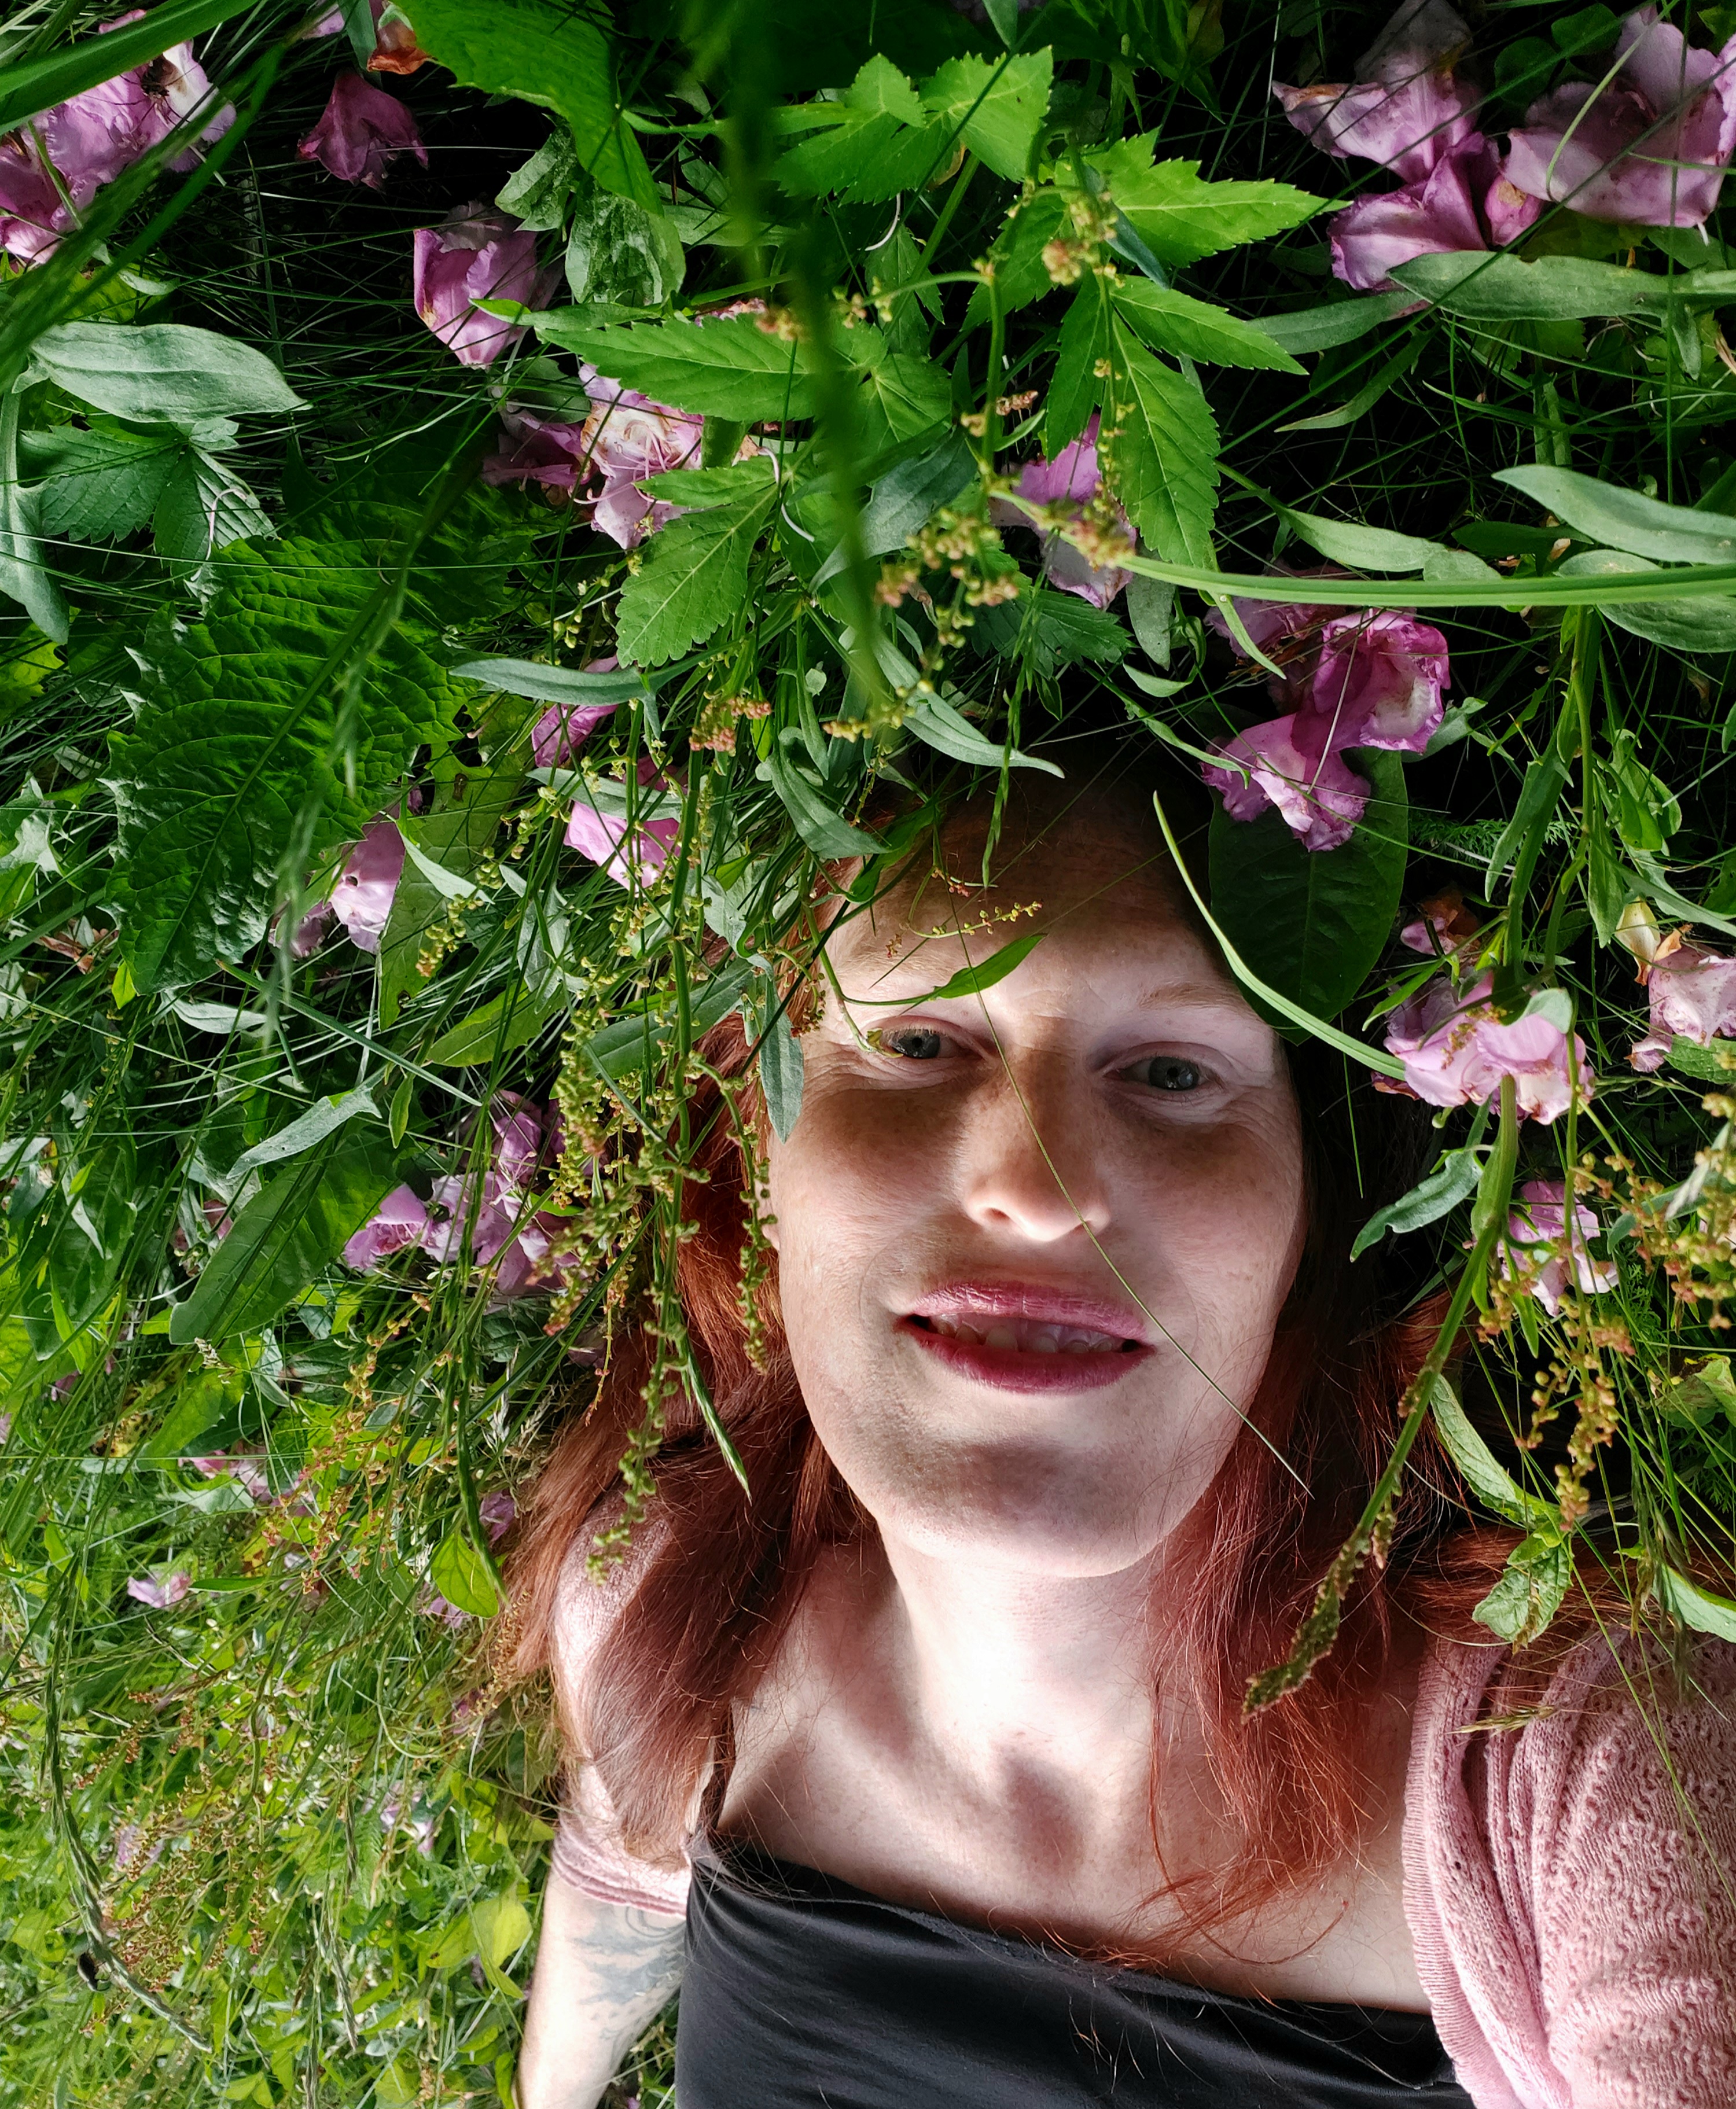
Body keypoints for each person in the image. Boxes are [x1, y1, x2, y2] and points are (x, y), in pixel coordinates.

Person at [502, 750, 1736, 2108]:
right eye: (919, 1043)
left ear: (1313, 1216)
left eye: (1170, 1069)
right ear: (756, 1156)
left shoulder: (1609, 1767)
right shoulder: (663, 1605)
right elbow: (621, 1871)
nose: (1035, 1188)